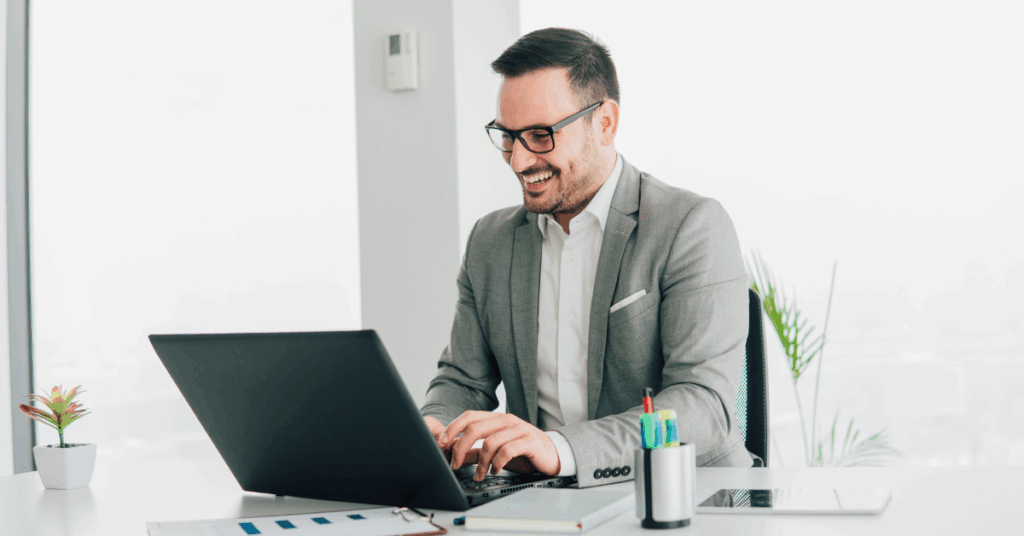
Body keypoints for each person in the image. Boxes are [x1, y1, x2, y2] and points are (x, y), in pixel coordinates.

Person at [420, 27, 754, 489]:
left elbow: (703, 406)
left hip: (679, 498)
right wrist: (435, 427)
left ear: (605, 123)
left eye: (540, 135)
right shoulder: (490, 242)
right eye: (508, 136)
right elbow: (462, 380)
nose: (518, 161)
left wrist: (559, 449)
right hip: (542, 502)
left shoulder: (690, 226)